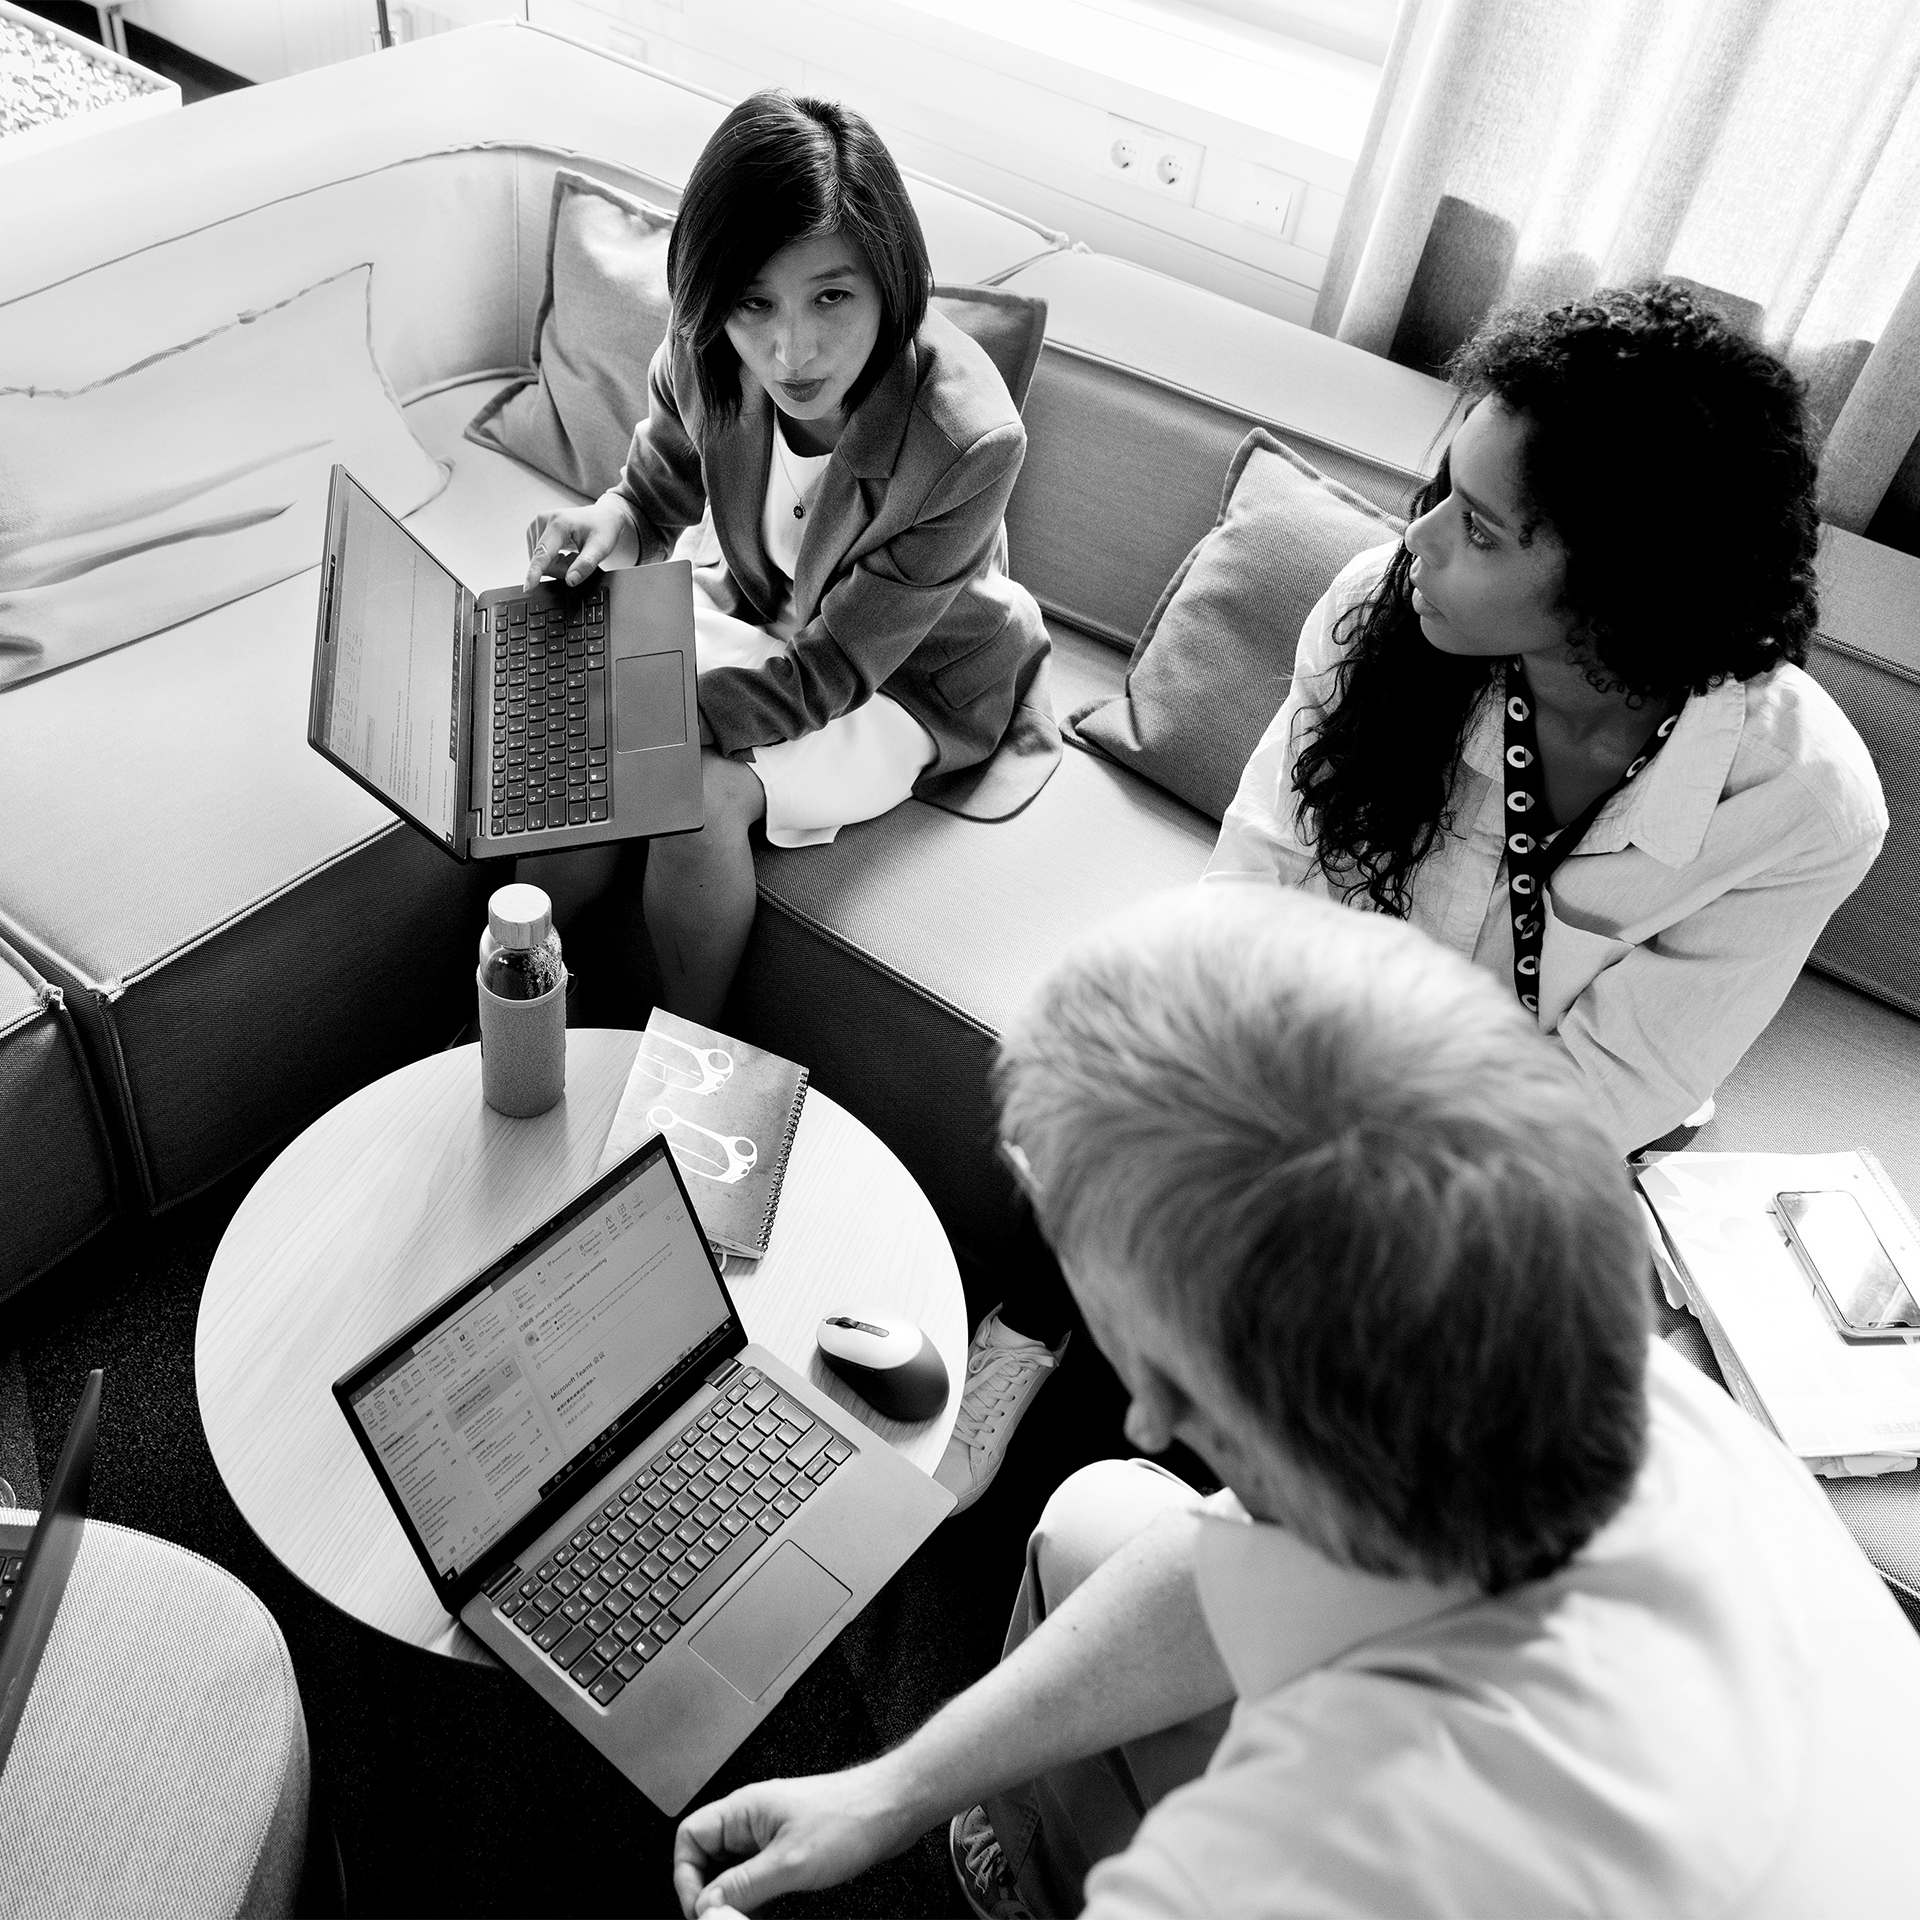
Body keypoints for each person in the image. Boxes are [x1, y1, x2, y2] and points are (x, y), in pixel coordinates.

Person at [666, 886, 1920, 1919]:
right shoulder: (1589, 1379)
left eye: (1149, 1370)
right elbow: (1230, 1561)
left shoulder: (1301, 1865)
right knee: (1106, 1517)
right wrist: (892, 1790)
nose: (1148, 1422)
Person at [1207, 283, 1887, 1157]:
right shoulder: (1380, 615)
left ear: (1624, 588)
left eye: (1482, 533)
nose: (1420, 540)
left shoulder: (1796, 806)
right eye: (1447, 488)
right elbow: (1261, 871)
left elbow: (1604, 1091)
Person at [523, 89, 1056, 1028]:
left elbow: (841, 663)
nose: (789, 347)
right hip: (758, 610)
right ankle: (520, 999)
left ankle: (682, 1058)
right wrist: (612, 519)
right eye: (753, 302)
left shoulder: (968, 440)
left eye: (832, 297)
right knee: (572, 686)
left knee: (689, 788)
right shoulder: (705, 347)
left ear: (894, 281)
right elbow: (657, 494)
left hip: (906, 676)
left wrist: (673, 717)